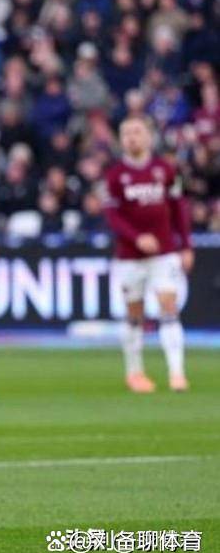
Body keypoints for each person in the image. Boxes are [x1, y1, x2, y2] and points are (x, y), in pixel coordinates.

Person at [103, 115, 193, 394]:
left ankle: (177, 373)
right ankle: (135, 373)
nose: (132, 138)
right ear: (121, 140)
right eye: (127, 133)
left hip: (164, 252)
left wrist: (186, 244)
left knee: (169, 305)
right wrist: (136, 238)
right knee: (134, 313)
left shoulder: (165, 169)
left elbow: (178, 208)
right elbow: (112, 216)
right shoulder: (115, 175)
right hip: (130, 256)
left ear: (149, 137)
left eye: (137, 132)